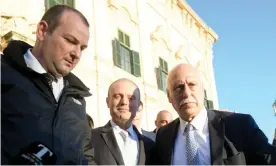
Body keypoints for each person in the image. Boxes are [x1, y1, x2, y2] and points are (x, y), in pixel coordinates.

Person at [1, 5, 95, 164]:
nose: (77, 54)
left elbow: (86, 157)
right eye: (71, 41)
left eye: (82, 48)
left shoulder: (78, 98)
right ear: (42, 31)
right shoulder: (4, 74)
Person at [150, 63, 276, 165]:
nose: (187, 93)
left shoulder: (238, 125)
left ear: (203, 90)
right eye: (178, 87)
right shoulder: (162, 136)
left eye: (192, 84)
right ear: (169, 96)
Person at [90, 78, 155, 165]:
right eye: (117, 96)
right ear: (107, 102)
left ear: (138, 105)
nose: (124, 102)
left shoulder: (150, 146)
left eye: (131, 98)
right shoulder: (89, 138)